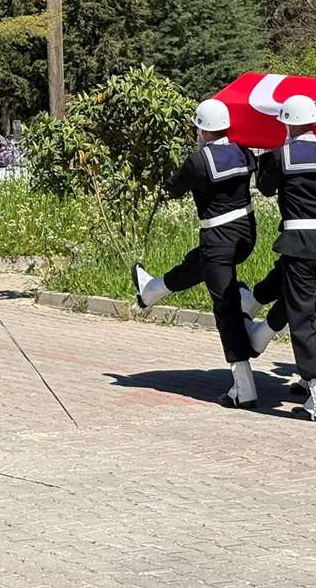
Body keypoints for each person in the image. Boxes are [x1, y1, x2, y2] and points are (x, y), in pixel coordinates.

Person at [131, 98, 259, 407]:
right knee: (198, 262)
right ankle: (152, 290)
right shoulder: (244, 152)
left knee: (225, 310)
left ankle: (244, 387)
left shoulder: (198, 161)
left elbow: (172, 189)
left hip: (218, 237)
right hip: (247, 233)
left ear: (200, 129)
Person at [249, 94, 316, 422]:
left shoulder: (282, 155)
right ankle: (257, 318)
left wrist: (268, 158)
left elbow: (264, 187)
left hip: (298, 242)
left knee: (303, 316)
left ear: (289, 122)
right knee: (290, 292)